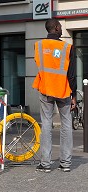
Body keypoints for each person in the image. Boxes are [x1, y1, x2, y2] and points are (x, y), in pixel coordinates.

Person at [33, 19, 77, 173]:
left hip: (45, 90)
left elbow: (40, 64)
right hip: (63, 91)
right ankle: (65, 163)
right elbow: (71, 74)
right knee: (66, 125)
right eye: (60, 27)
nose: (61, 30)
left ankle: (45, 164)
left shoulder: (38, 46)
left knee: (46, 125)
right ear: (57, 28)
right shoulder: (67, 47)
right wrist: (74, 95)